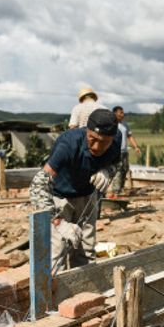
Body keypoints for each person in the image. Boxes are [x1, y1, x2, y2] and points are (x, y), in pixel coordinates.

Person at [30, 109, 121, 271]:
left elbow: (116, 162)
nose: (97, 146)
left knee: (86, 250)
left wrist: (108, 171)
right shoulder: (68, 144)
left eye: (104, 142)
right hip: (60, 198)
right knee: (57, 253)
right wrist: (58, 222)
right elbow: (38, 184)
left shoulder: (117, 138)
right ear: (87, 131)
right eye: (92, 139)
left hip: (87, 197)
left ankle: (84, 291)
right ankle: (55, 293)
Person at [110, 106, 141, 196]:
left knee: (125, 169)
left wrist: (136, 147)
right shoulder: (112, 124)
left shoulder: (125, 124)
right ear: (115, 113)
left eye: (123, 113)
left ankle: (121, 188)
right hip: (115, 151)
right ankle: (116, 190)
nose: (123, 115)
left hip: (124, 151)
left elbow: (130, 136)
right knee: (118, 170)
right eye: (121, 113)